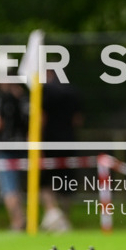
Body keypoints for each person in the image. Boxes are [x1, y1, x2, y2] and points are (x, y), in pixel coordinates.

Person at [39, 69, 83, 233]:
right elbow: (77, 120)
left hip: (48, 142)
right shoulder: (73, 92)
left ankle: (52, 215)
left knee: (45, 182)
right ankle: (64, 219)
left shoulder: (43, 92)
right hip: (69, 141)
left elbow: (41, 118)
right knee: (66, 181)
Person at [0, 77, 29, 231]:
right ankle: (27, 219)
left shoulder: (1, 99)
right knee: (26, 187)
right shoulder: (26, 99)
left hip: (6, 148)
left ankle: (18, 222)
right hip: (26, 148)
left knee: (9, 188)